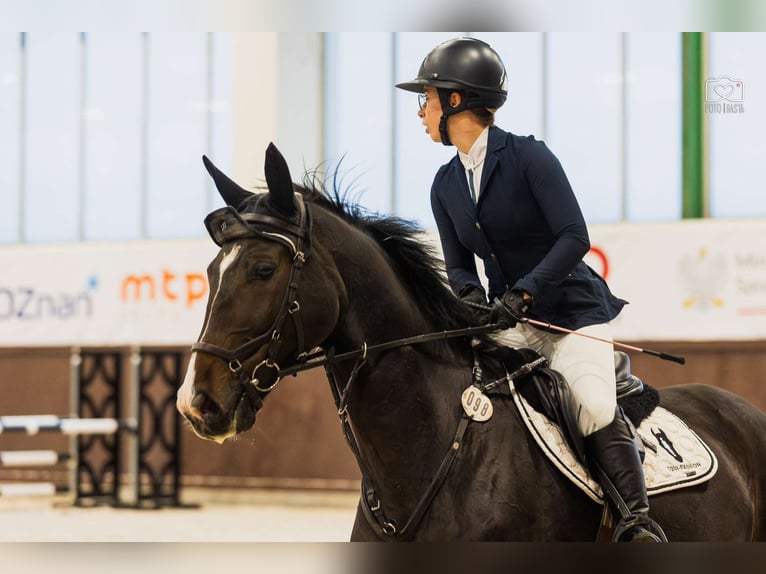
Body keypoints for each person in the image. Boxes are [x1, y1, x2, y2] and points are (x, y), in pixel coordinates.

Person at [395, 36, 663, 542]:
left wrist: (523, 294)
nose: (420, 111)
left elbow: (574, 236)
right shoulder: (444, 184)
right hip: (509, 323)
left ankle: (636, 520)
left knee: (592, 403)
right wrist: (472, 300)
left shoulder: (529, 158)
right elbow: (460, 266)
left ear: (455, 101)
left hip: (570, 313)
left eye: (425, 98)